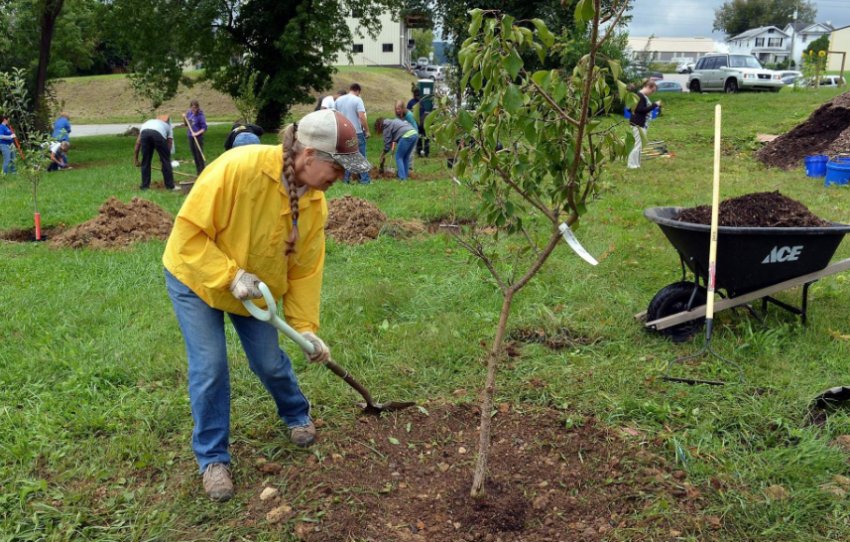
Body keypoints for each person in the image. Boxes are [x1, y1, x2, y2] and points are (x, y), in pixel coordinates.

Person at [162, 109, 370, 502]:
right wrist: (229, 275)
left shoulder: (314, 204)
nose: (340, 179)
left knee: (269, 362)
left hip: (256, 291)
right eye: (337, 169)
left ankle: (296, 414)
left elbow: (306, 271)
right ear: (308, 156)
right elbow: (188, 235)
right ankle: (212, 459)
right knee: (210, 367)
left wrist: (306, 327)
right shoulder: (239, 168)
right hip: (196, 276)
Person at [333, 83, 371, 184]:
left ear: (350, 89)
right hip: (356, 132)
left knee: (348, 156)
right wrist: (367, 131)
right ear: (358, 91)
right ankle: (365, 180)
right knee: (361, 156)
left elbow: (334, 116)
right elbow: (362, 117)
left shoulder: (339, 100)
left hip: (343, 133)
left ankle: (345, 180)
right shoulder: (357, 100)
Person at [134, 114, 178, 191]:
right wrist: (165, 158)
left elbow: (138, 143)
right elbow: (169, 143)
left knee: (145, 161)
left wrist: (136, 159)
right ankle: (170, 186)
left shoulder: (146, 123)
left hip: (145, 134)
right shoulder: (168, 127)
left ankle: (145, 187)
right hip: (158, 134)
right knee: (165, 162)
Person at [627, 80, 662, 170]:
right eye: (652, 91)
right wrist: (655, 105)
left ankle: (636, 164)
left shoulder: (641, 96)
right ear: (648, 87)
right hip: (638, 123)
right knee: (637, 144)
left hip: (640, 123)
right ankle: (631, 164)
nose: (652, 93)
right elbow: (641, 110)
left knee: (640, 144)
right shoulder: (640, 96)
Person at [375, 116, 418, 180]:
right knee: (405, 157)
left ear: (379, 126)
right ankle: (405, 176)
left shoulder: (386, 127)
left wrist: (383, 154)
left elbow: (387, 145)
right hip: (414, 134)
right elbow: (396, 134)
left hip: (406, 135)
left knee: (399, 157)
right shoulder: (393, 121)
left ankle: (402, 178)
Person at [407, 88, 432, 158]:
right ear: (414, 95)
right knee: (418, 139)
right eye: (416, 95)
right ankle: (419, 152)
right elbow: (408, 113)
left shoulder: (422, 102)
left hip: (423, 123)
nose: (417, 96)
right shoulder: (410, 103)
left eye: (418, 95)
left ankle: (426, 152)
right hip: (415, 123)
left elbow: (424, 112)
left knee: (426, 137)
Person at [185, 100, 208, 174]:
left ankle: (202, 172)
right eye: (192, 107)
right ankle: (198, 172)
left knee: (199, 155)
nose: (193, 109)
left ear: (197, 107)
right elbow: (186, 124)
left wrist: (196, 133)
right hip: (190, 136)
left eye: (194, 107)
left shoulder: (200, 115)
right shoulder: (189, 113)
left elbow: (204, 128)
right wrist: (184, 117)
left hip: (198, 137)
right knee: (194, 155)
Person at [395, 100, 418, 171]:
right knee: (402, 153)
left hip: (413, 135)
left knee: (410, 153)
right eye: (396, 109)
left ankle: (410, 169)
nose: (397, 110)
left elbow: (413, 127)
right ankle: (404, 169)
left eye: (398, 109)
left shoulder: (409, 115)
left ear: (402, 108)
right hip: (404, 136)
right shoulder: (398, 116)